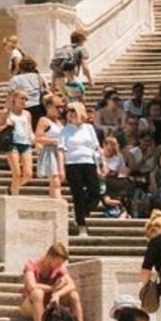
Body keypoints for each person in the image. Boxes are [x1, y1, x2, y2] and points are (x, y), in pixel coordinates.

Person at [19, 242, 82, 321]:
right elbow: (32, 286)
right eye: (58, 263)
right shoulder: (32, 264)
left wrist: (57, 294)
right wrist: (52, 288)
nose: (59, 266)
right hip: (30, 304)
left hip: (49, 302)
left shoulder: (59, 268)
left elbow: (72, 285)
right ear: (50, 257)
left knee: (74, 295)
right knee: (38, 293)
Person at [64, 101, 103, 237]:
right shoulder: (66, 129)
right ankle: (81, 225)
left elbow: (96, 147)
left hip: (89, 162)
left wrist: (100, 164)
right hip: (72, 163)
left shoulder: (89, 128)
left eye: (73, 111)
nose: (71, 114)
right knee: (78, 195)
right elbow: (61, 148)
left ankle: (80, 212)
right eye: (69, 111)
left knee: (95, 193)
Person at [1, 90, 35, 196]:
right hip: (12, 143)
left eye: (26, 99)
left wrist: (33, 138)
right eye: (22, 98)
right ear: (15, 99)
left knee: (28, 174)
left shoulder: (27, 114)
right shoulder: (6, 113)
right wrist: (5, 126)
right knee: (16, 173)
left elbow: (29, 129)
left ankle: (12, 188)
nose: (24, 101)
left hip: (25, 143)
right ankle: (15, 198)